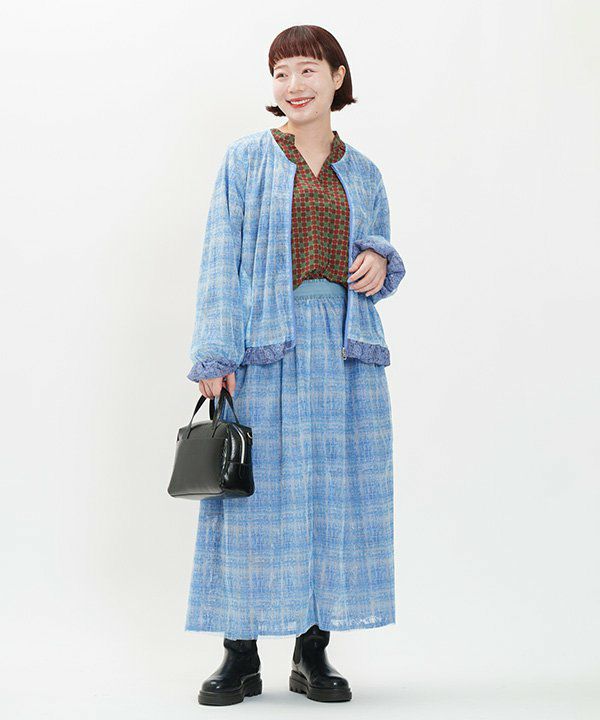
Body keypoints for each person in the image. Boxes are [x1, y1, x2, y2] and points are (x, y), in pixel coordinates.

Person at [184, 25, 406, 706]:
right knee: (253, 499)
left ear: (338, 76)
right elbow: (221, 256)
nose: (293, 85)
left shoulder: (363, 172)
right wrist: (215, 351)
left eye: (307, 69)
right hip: (263, 345)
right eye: (280, 73)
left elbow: (378, 256)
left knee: (333, 499)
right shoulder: (246, 159)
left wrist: (380, 262)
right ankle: (239, 653)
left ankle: (313, 651)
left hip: (343, 352)